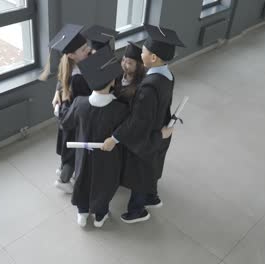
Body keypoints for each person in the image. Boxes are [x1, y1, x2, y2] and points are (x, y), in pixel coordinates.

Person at [101, 24, 185, 224]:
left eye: (145, 51)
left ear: (153, 58)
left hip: (147, 136)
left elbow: (136, 122)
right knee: (152, 168)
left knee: (139, 174)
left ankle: (138, 210)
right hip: (160, 128)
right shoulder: (168, 75)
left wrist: (114, 138)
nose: (142, 54)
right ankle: (152, 198)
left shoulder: (147, 87)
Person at [61, 46, 129, 228]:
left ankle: (82, 213)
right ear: (113, 82)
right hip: (108, 158)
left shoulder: (79, 103)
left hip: (83, 156)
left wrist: (62, 104)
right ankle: (100, 215)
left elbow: (66, 123)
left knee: (83, 180)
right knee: (104, 184)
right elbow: (126, 133)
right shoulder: (120, 109)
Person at [40, 24, 92, 193]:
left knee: (67, 149)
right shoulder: (78, 78)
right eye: (84, 49)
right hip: (73, 119)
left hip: (66, 113)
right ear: (71, 55)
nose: (88, 50)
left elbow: (60, 83)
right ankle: (63, 179)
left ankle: (63, 169)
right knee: (72, 151)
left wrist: (57, 93)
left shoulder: (66, 64)